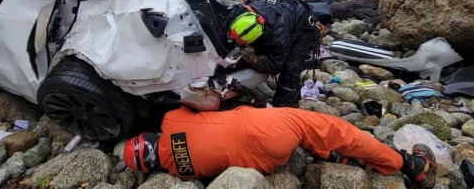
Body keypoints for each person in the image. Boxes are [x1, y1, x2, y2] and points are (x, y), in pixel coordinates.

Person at [121, 106, 437, 189]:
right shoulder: (172, 121)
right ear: (148, 137)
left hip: (268, 162)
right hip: (263, 128)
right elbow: (207, 101)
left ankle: (332, 156)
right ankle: (410, 167)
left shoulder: (182, 172)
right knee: (333, 128)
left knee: (303, 136)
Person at [222, 0, 320, 107]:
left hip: (303, 26)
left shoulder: (278, 37)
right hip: (282, 13)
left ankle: (284, 106)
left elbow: (275, 65)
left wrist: (254, 59)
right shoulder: (238, 13)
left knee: (290, 70)